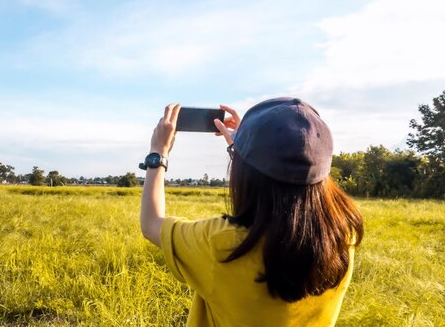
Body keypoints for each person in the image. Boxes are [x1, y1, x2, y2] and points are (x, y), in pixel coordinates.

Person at [139, 98, 364, 327]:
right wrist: (245, 147)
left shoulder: (223, 244)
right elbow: (297, 175)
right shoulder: (343, 236)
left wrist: (158, 153)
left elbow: (151, 223)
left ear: (244, 175)